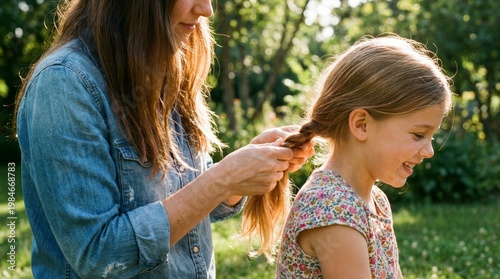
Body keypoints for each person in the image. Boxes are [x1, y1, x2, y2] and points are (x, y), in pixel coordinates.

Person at [13, 0, 313, 278]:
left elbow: (191, 197)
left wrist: (240, 172)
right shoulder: (64, 84)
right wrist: (223, 178)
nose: (207, 9)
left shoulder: (163, 65)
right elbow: (99, 254)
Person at [242, 35, 453, 278]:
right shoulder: (332, 210)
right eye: (418, 135)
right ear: (361, 124)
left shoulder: (375, 200)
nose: (429, 151)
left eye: (431, 137)